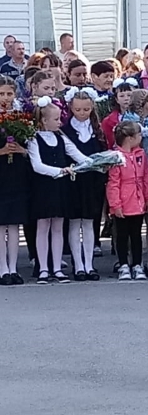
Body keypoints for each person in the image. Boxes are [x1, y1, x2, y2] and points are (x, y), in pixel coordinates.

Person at [28, 96, 91, 284]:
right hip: (43, 188)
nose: (60, 122)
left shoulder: (61, 137)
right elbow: (37, 165)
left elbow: (79, 156)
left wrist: (100, 161)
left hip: (60, 188)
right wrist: (60, 171)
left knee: (58, 227)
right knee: (42, 227)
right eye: (56, 119)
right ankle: (43, 268)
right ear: (43, 121)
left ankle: (57, 267)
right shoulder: (34, 139)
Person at [61, 87, 106, 281]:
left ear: (92, 108)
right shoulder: (65, 130)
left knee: (89, 222)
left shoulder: (97, 130)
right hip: (73, 182)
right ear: (71, 108)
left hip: (93, 182)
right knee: (73, 223)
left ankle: (89, 264)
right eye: (77, 109)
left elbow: (103, 153)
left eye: (86, 109)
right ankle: (78, 265)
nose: (82, 113)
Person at [106, 120, 148, 281]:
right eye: (139, 135)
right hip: (123, 202)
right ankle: (123, 264)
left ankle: (137, 264)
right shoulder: (116, 157)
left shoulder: (141, 155)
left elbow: (146, 177)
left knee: (136, 234)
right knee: (122, 235)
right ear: (130, 138)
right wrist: (115, 205)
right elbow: (113, 183)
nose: (141, 137)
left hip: (138, 201)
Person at [0, 75, 29, 285]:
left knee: (14, 225)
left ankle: (13, 267)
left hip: (16, 174)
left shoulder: (20, 117)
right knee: (1, 225)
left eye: (9, 93)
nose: (5, 98)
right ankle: (2, 268)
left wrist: (21, 149)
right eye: (1, 94)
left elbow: (31, 148)